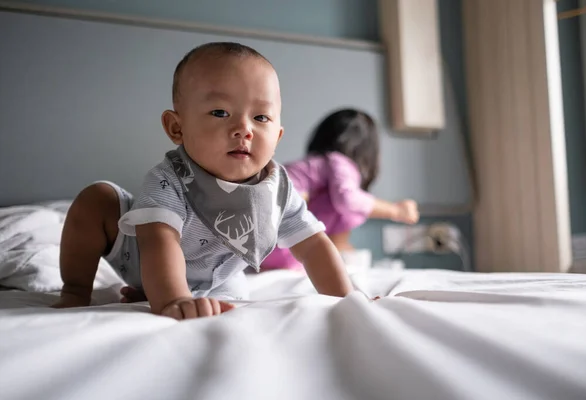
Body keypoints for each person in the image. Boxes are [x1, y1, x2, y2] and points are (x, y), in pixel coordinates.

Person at [52, 42, 354, 320]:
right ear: (176, 128)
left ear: (277, 136)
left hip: (218, 278)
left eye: (261, 118)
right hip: (143, 259)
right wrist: (172, 299)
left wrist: (350, 299)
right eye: (220, 112)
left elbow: (314, 246)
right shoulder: (170, 180)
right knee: (98, 199)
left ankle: (170, 293)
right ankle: (75, 290)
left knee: (231, 302)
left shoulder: (279, 188)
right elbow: (160, 242)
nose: (244, 129)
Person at [261, 109, 420, 271]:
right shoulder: (338, 161)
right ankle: (336, 251)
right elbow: (347, 200)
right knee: (347, 206)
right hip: (278, 237)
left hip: (264, 240)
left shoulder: (316, 166)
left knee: (334, 199)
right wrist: (396, 211)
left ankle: (328, 254)